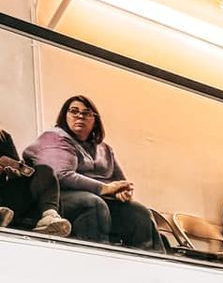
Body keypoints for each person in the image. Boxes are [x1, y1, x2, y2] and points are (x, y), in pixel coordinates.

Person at [26, 95, 158, 249]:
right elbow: (61, 174)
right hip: (56, 197)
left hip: (98, 197)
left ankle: (150, 265)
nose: (80, 116)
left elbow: (119, 181)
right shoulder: (54, 138)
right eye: (74, 111)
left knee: (139, 213)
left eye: (86, 113)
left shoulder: (104, 148)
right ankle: (96, 258)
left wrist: (122, 191)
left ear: (95, 120)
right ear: (65, 116)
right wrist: (104, 188)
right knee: (92, 204)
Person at [0, 128, 71, 235]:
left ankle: (49, 217)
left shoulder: (3, 137)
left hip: (8, 197)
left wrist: (16, 173)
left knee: (44, 170)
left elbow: (18, 169)